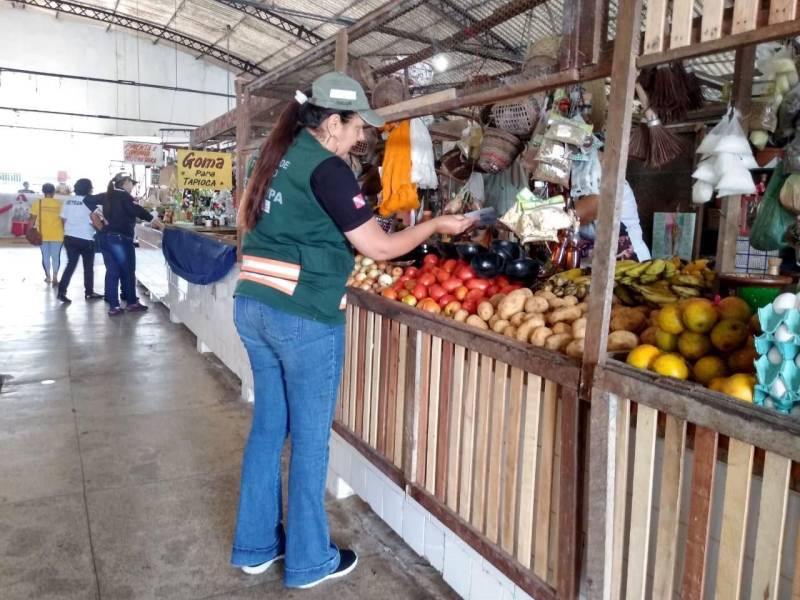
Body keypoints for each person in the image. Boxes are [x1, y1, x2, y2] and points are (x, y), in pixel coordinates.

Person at [232, 72, 475, 590]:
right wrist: (435, 226)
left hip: (254, 304)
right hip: (302, 316)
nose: (363, 138)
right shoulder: (329, 169)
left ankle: (255, 547)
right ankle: (308, 561)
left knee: (269, 430)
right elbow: (381, 249)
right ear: (334, 121)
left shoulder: (274, 157)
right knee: (311, 442)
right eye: (359, 127)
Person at [84, 173, 161, 316]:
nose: (132, 186)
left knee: (113, 272)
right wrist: (156, 221)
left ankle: (114, 306)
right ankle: (132, 303)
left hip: (106, 237)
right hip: (120, 239)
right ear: (125, 182)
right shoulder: (124, 196)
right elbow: (138, 211)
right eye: (132, 183)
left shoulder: (108, 194)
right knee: (128, 271)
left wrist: (100, 214)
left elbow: (87, 199)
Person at [57, 178, 103, 303]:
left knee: (70, 265)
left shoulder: (68, 201)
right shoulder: (90, 202)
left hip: (69, 238)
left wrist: (68, 231)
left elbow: (63, 219)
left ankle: (61, 291)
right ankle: (89, 292)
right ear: (89, 189)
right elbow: (95, 221)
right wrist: (103, 230)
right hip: (86, 238)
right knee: (88, 267)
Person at [29, 183, 64, 285]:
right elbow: (63, 220)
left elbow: (32, 219)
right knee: (56, 256)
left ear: (43, 192)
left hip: (42, 235)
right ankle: (55, 277)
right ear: (53, 192)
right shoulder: (59, 204)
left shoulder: (37, 203)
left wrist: (29, 231)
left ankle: (48, 277)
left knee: (45, 256)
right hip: (58, 235)